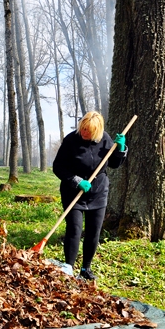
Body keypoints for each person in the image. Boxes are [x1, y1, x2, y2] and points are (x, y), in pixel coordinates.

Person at [52, 111, 128, 281]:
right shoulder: (71, 140)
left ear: (97, 131)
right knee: (75, 229)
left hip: (98, 192)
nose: (84, 133)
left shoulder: (105, 140)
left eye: (89, 130)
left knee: (94, 232)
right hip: (74, 192)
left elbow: (115, 164)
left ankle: (86, 268)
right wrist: (76, 180)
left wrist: (120, 150)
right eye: (83, 128)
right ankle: (68, 267)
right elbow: (58, 167)